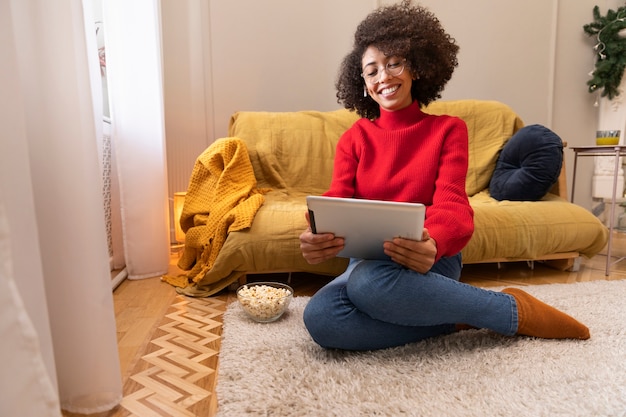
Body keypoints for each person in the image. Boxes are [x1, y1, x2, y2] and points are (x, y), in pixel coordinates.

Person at [299, 0, 590, 351]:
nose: (384, 77)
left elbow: (453, 204)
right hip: (368, 260)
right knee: (322, 318)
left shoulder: (448, 130)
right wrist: (317, 227)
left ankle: (514, 312)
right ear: (362, 82)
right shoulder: (354, 138)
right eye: (372, 70)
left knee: (366, 285)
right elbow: (338, 196)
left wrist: (433, 241)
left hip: (430, 256)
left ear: (417, 67)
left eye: (394, 63)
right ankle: (462, 316)